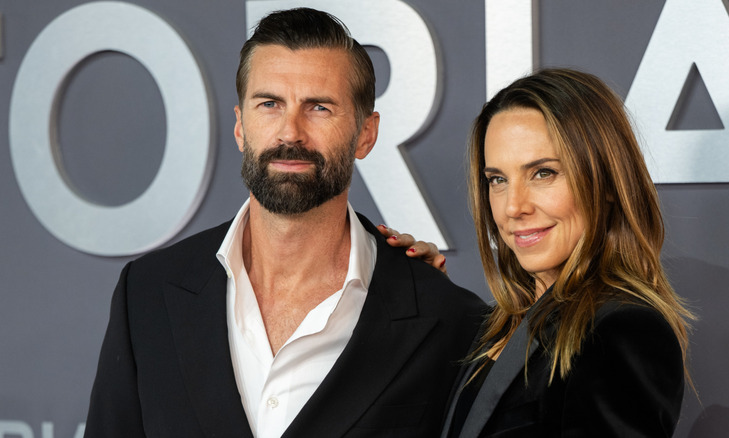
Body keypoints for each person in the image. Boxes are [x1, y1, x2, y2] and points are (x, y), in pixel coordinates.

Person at [84, 8, 484, 438]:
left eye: (319, 107)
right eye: (270, 104)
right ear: (241, 127)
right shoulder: (146, 294)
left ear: (366, 134)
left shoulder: (449, 320)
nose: (290, 132)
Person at [386, 68, 694, 437]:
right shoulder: (499, 329)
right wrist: (431, 301)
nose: (513, 207)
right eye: (497, 180)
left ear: (608, 182)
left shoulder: (621, 331)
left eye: (543, 173)